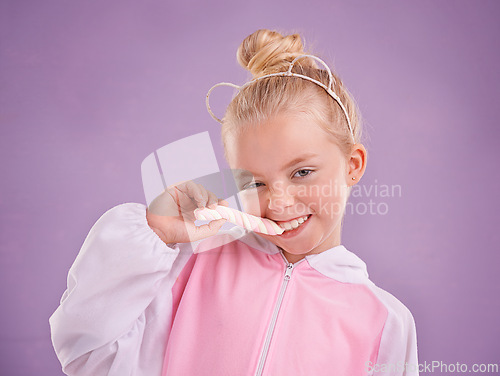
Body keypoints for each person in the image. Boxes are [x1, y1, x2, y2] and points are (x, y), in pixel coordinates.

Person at [49, 28, 419, 376]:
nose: (278, 201)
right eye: (255, 182)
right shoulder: (191, 264)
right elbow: (87, 354)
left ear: (352, 165)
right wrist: (157, 231)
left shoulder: (386, 323)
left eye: (302, 172)